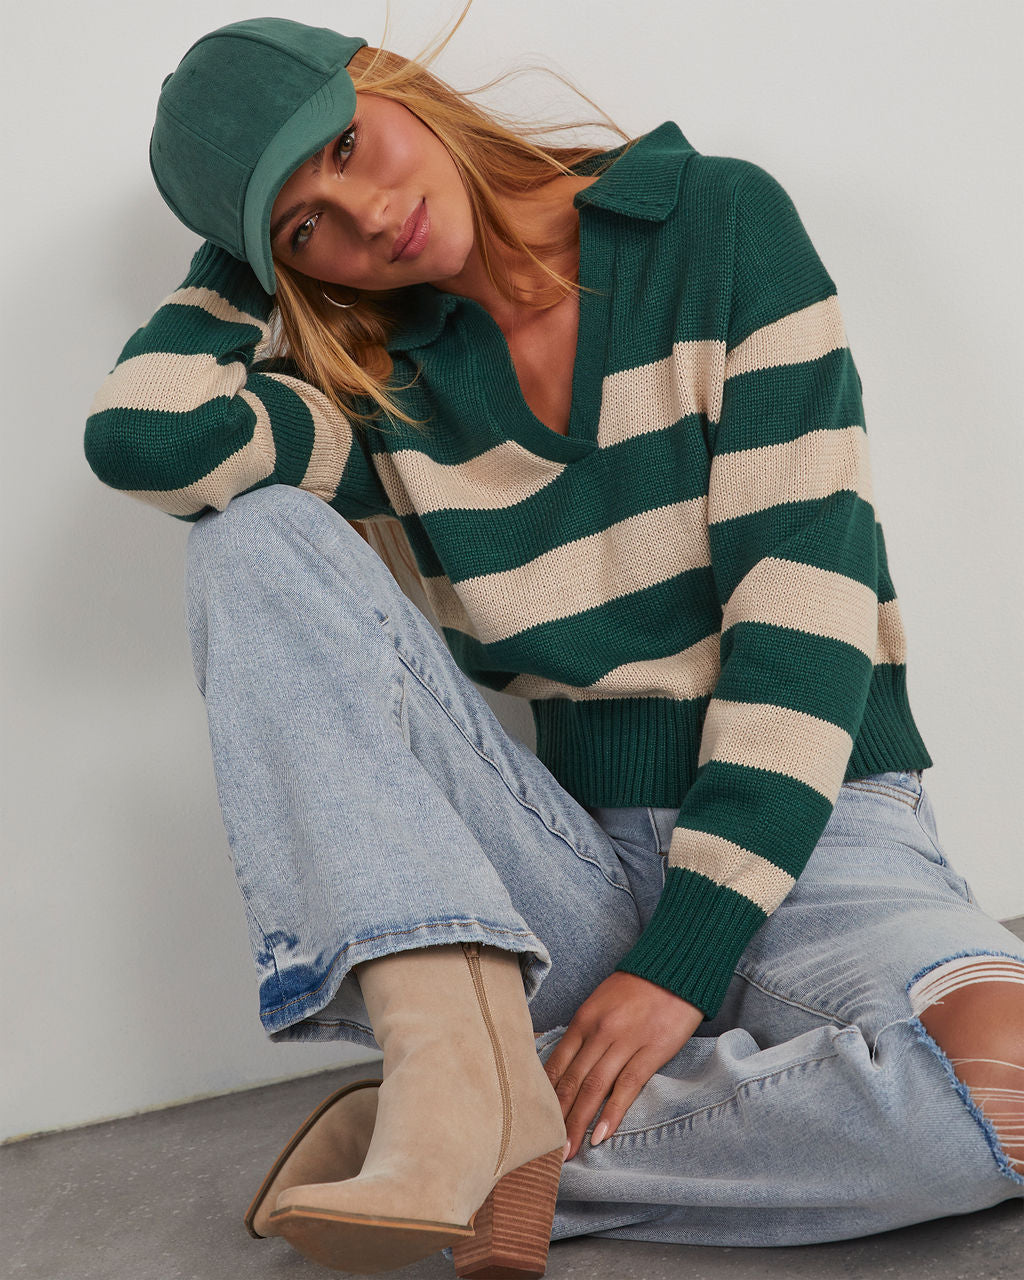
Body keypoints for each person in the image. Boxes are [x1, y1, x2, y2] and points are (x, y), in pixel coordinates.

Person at [84, 10, 1024, 1277]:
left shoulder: (716, 225)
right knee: (248, 537)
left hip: (822, 832)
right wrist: (243, 240)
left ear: (392, 82)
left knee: (1010, 1085)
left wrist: (682, 960)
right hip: (570, 863)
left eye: (347, 146)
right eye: (309, 227)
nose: (368, 216)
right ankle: (458, 1063)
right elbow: (149, 441)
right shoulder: (375, 389)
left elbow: (806, 610)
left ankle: (482, 1129)